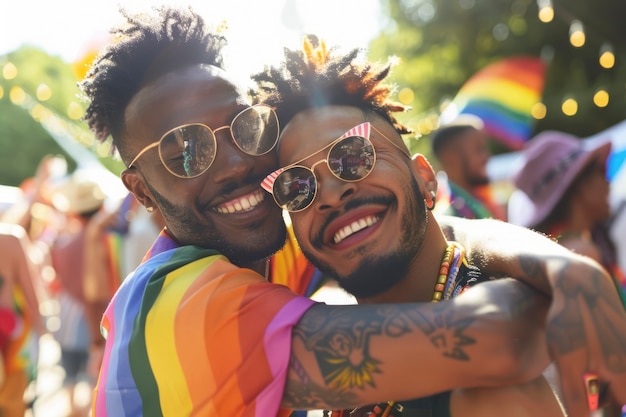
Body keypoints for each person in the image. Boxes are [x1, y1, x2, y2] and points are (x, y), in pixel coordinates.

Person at [79, 6, 620, 417]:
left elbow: (418, 224)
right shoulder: (180, 309)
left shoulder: (268, 231)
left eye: (242, 127)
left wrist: (557, 265)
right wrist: (564, 276)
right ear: (142, 193)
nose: (236, 163)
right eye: (187, 151)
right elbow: (500, 341)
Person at [254, 36, 626, 416]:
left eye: (353, 156)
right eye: (297, 187)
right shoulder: (313, 346)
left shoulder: (500, 384)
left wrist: (568, 270)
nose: (330, 195)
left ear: (425, 179)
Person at [508, 131, 626, 417]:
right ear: (578, 187)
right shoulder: (580, 254)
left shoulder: (560, 250)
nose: (608, 181)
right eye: (599, 172)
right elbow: (603, 366)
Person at [48, 172, 108, 417]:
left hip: (69, 315)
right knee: (98, 375)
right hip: (101, 316)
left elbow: (59, 278)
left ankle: (73, 409)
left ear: (74, 212)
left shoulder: (63, 244)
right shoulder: (108, 241)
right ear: (101, 207)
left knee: (70, 370)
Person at [0, 223, 45, 417]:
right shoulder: (10, 238)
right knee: (12, 403)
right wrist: (40, 328)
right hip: (9, 334)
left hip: (9, 331)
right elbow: (29, 289)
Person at [430, 115, 506, 220]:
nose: (487, 157)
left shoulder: (480, 200)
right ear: (452, 158)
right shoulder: (450, 219)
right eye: (479, 149)